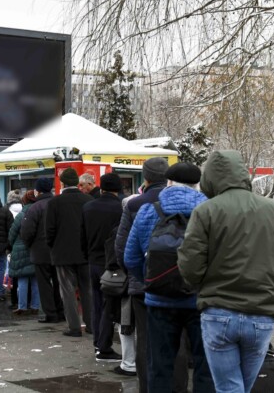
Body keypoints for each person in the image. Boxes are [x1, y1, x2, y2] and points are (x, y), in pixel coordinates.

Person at [178, 150, 274, 392]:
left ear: (209, 179)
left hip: (218, 312)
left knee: (229, 387)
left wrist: (203, 289)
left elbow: (190, 264)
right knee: (243, 385)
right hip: (261, 315)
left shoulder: (206, 211)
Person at [124, 163, 214, 392]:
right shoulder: (210, 211)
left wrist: (150, 280)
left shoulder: (147, 211)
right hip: (201, 301)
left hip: (160, 301)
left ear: (169, 182)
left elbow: (131, 257)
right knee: (205, 366)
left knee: (161, 366)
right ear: (197, 184)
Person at [114, 156, 169, 382]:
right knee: (175, 339)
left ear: (146, 177)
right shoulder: (185, 200)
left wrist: (137, 275)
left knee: (145, 339)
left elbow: (122, 248)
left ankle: (147, 385)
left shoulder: (134, 204)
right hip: (180, 283)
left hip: (143, 284)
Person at [45, 167, 94, 337]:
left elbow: (49, 231)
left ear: (63, 183)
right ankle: (91, 324)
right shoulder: (88, 200)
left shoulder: (54, 203)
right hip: (86, 253)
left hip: (63, 253)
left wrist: (54, 246)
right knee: (87, 289)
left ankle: (74, 327)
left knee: (67, 290)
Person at [81, 173, 125, 362]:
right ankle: (105, 347)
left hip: (92, 261)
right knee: (110, 306)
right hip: (112, 263)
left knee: (97, 303)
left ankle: (98, 342)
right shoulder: (120, 209)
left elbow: (82, 236)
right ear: (118, 188)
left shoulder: (88, 207)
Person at [22, 177, 65, 323]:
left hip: (40, 252)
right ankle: (61, 311)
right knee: (59, 282)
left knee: (45, 284)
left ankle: (51, 313)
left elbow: (27, 232)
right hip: (59, 250)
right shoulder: (59, 204)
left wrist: (30, 245)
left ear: (37, 191)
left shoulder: (35, 208)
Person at [8, 190, 39, 315]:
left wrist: (13, 244)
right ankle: (35, 305)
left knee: (22, 279)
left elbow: (12, 234)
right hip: (36, 249)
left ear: (24, 200)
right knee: (35, 279)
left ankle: (22, 306)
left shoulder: (21, 215)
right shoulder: (39, 212)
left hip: (20, 249)